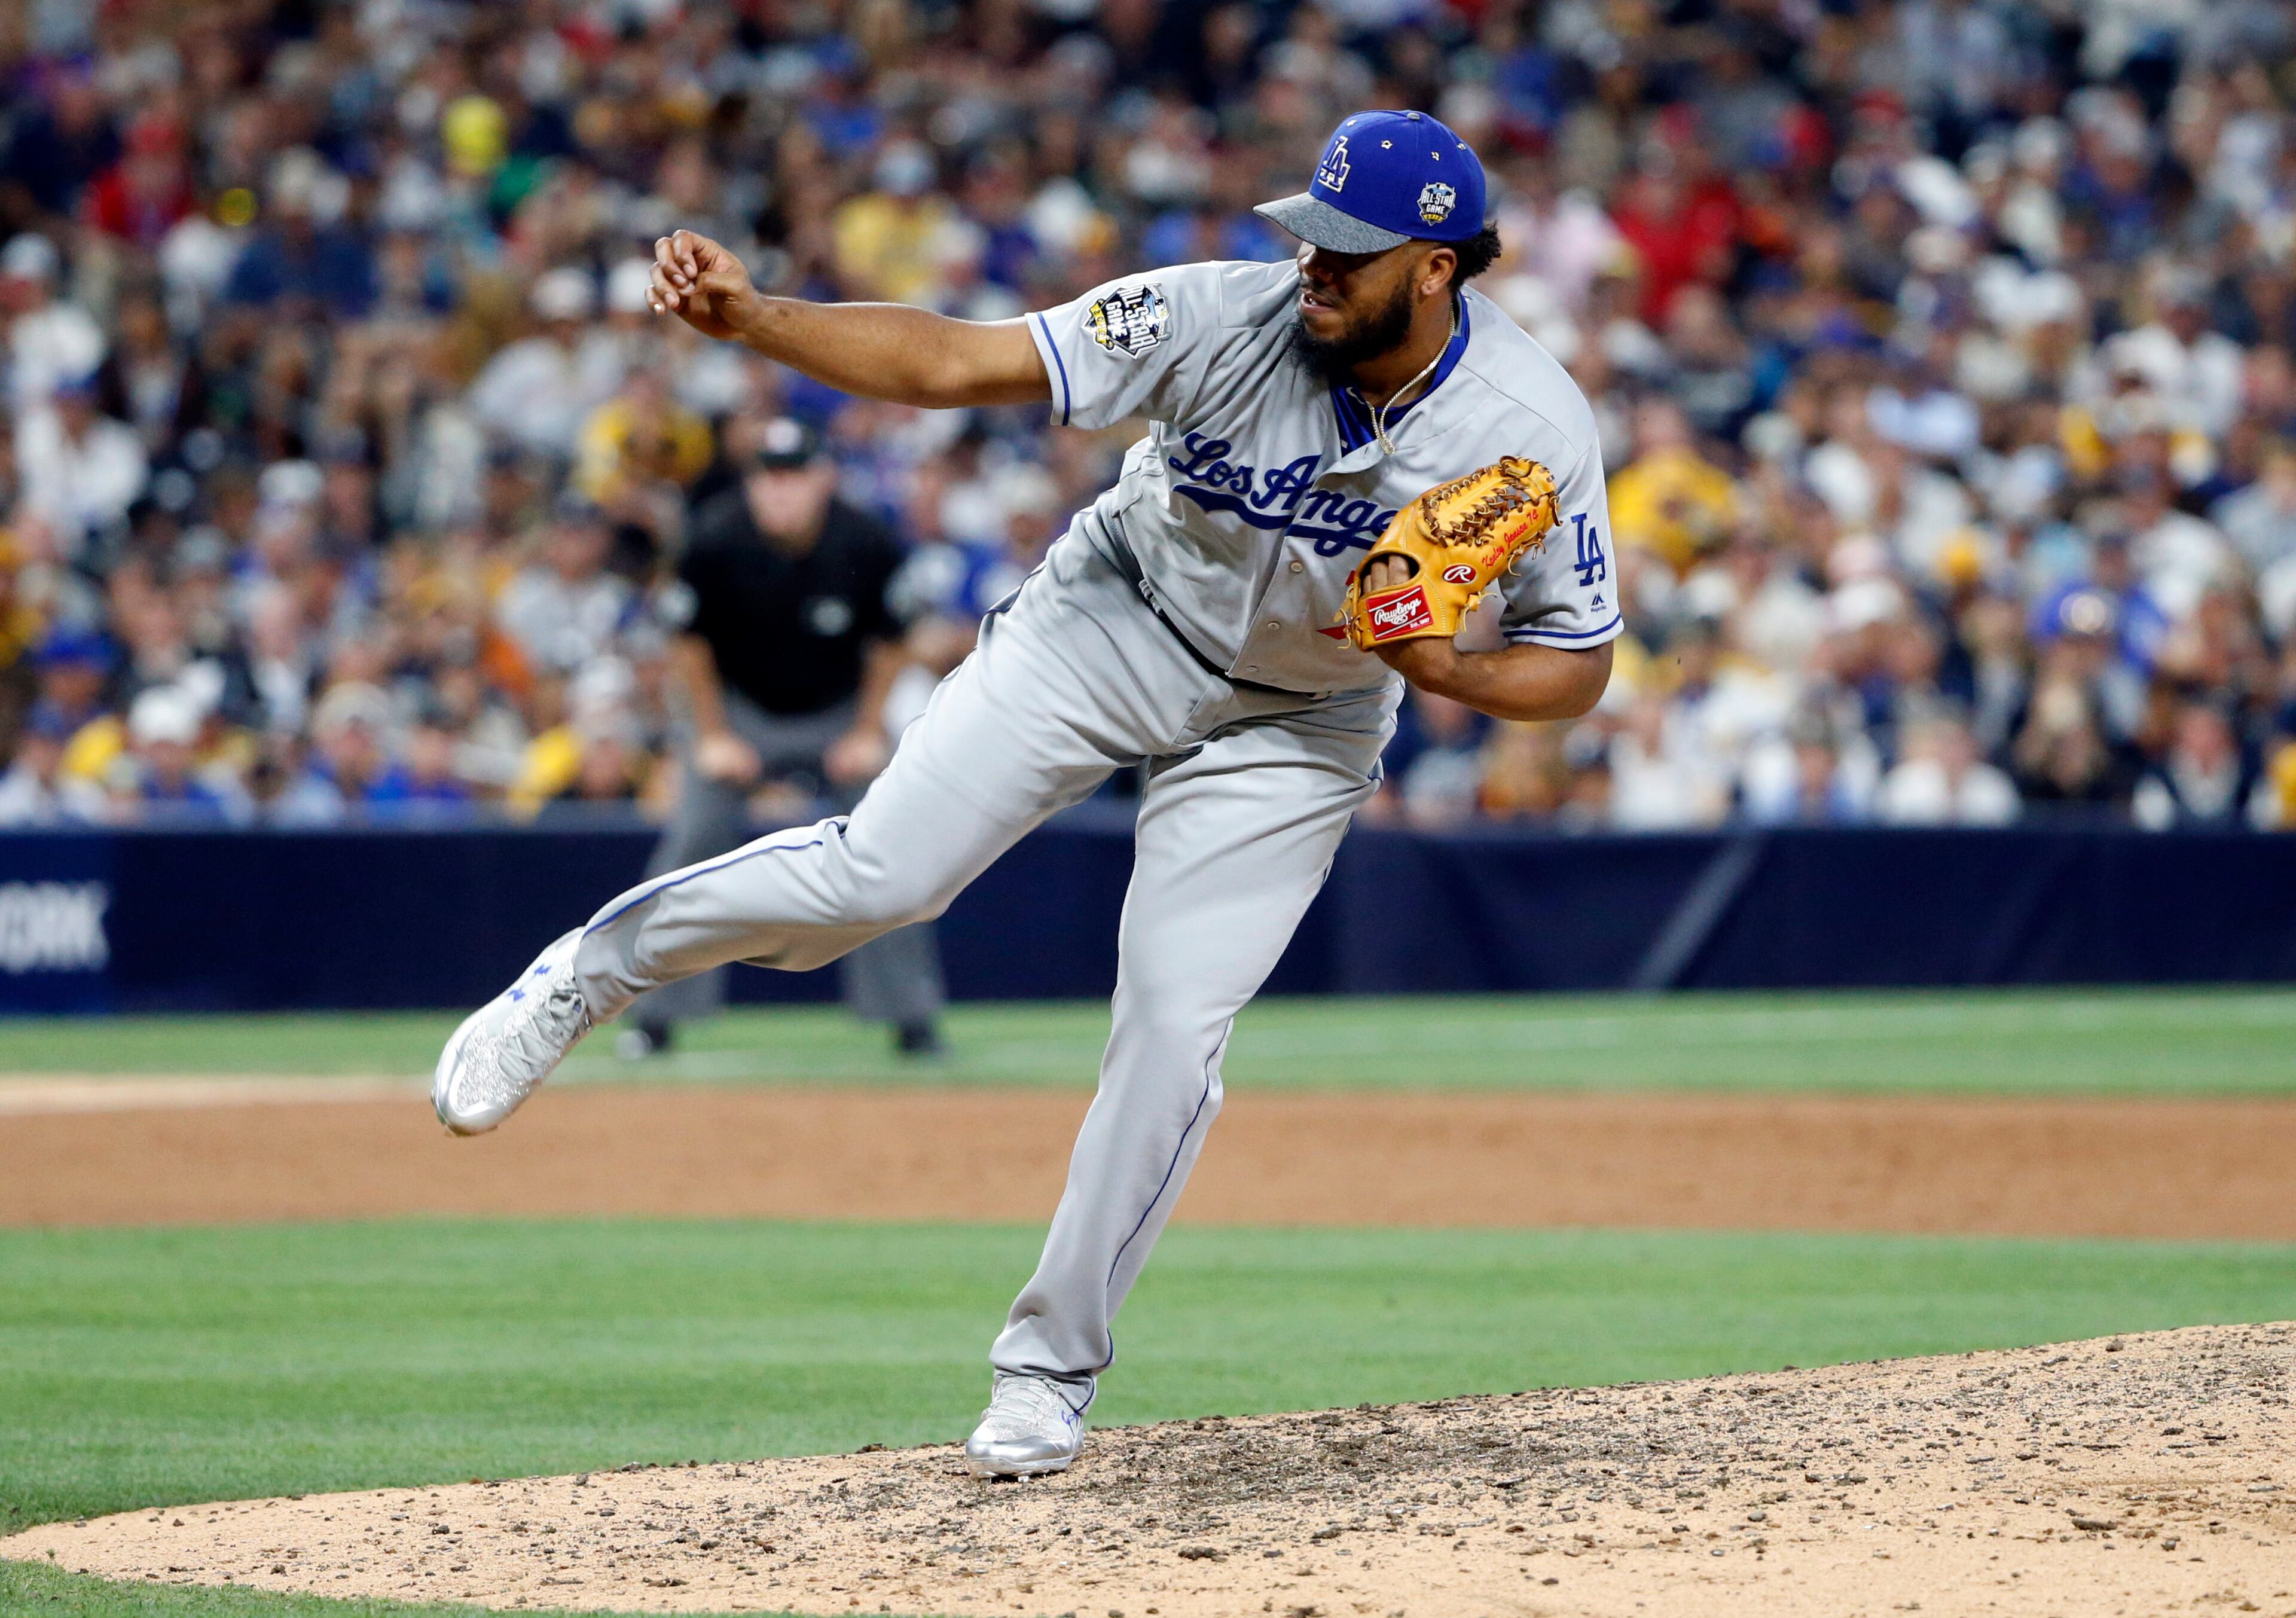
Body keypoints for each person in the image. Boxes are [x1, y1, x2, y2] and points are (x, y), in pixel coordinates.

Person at [430, 111, 1615, 1478]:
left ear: (1437, 269)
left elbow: (1577, 666)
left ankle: (1045, 1371)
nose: (1313, 268)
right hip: (1112, 615)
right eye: (1309, 237)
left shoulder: (1528, 426)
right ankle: (591, 969)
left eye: (1350, 253)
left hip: (1304, 718)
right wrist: (757, 321)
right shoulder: (1216, 316)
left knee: (1174, 1032)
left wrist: (1442, 666)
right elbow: (951, 359)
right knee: (877, 878)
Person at [618, 414, 947, 1059]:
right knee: (692, 841)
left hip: (840, 710)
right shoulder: (715, 537)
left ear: (822, 478)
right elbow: (688, 647)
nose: (780, 491)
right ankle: (655, 1019)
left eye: (794, 476)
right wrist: (712, 735)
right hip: (741, 713)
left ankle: (912, 1018)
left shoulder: (864, 540)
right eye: (769, 478)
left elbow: (893, 642)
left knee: (891, 845)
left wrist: (865, 729)